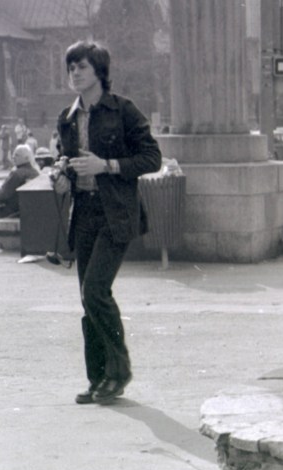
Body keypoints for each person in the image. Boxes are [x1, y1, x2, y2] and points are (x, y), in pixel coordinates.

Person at [57, 41, 162, 405]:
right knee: (88, 299)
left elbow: (152, 158)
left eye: (81, 67)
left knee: (95, 291)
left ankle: (118, 372)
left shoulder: (123, 111)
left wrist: (108, 165)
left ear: (99, 71)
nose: (74, 73)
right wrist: (61, 171)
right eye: (71, 67)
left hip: (116, 213)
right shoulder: (68, 117)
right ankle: (98, 377)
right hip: (83, 212)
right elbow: (66, 158)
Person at [0, 145, 40, 217]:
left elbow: (2, 195)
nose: (13, 157)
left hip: (12, 211)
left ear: (26, 157)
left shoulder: (17, 174)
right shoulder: (36, 173)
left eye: (17, 155)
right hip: (28, 211)